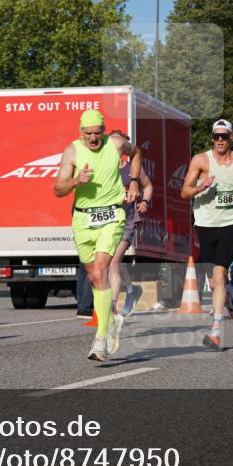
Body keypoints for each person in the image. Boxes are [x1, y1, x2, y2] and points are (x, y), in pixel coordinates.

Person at [54, 109, 140, 362]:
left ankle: (101, 339)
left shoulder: (115, 143)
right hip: (82, 218)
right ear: (80, 132)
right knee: (93, 276)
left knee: (101, 271)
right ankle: (112, 322)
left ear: (104, 130)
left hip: (112, 215)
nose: (93, 138)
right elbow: (58, 189)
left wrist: (133, 182)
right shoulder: (72, 151)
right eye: (88, 133)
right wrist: (75, 181)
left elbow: (137, 154)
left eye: (97, 133)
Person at [181, 119, 233, 350]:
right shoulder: (201, 161)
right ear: (212, 138)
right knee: (213, 281)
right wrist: (201, 187)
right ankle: (229, 299)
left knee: (219, 274)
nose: (220, 140)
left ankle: (215, 331)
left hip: (230, 222)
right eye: (216, 136)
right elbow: (184, 191)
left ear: (232, 137)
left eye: (224, 136)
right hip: (205, 223)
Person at [107, 130, 153, 318]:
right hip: (108, 219)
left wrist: (145, 202)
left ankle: (112, 307)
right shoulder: (104, 166)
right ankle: (131, 290)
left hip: (128, 219)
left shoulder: (132, 168)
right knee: (109, 263)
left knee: (113, 263)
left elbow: (148, 185)